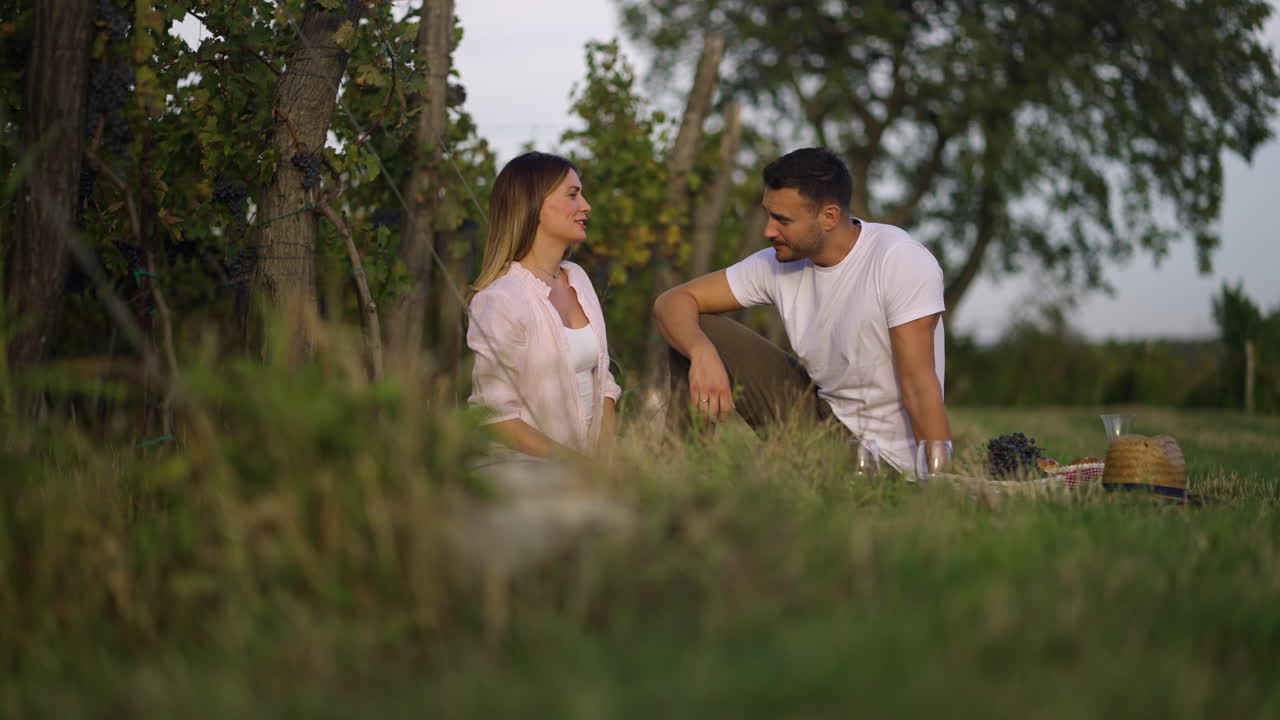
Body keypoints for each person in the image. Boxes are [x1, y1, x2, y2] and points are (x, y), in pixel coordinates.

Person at [653, 147, 950, 471]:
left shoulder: (899, 260)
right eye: (769, 214)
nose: (768, 230)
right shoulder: (778, 262)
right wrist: (700, 352)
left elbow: (921, 388)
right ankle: (677, 478)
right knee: (695, 331)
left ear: (829, 217)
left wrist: (937, 486)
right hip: (819, 421)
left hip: (882, 462)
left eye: (782, 220)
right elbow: (672, 301)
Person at [467, 151, 620, 460]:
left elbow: (603, 382)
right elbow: (495, 417)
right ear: (534, 204)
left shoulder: (578, 278)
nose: (586, 206)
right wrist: (576, 465)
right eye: (573, 195)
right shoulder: (500, 300)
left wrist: (608, 461)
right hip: (527, 468)